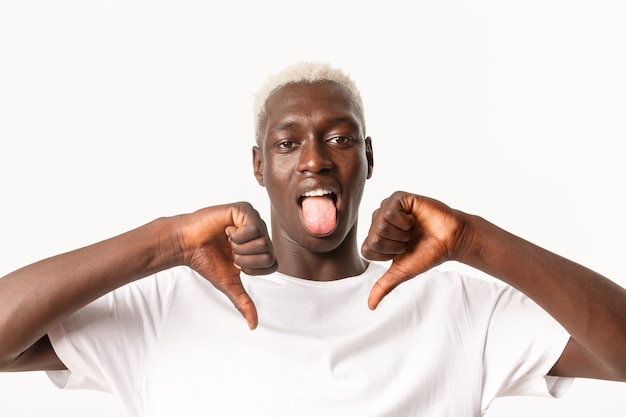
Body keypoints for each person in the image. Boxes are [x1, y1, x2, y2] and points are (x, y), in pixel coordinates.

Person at [0, 62, 625, 416]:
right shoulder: (169, 309)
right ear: (257, 166)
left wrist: (471, 239)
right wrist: (166, 242)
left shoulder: (454, 309)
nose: (313, 160)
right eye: (286, 141)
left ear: (368, 158)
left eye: (339, 137)